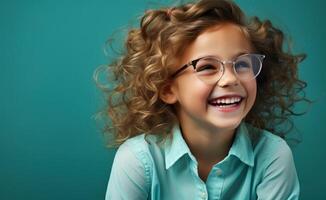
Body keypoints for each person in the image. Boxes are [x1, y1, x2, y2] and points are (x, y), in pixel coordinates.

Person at [99, 0, 309, 199]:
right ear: (167, 88)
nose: (230, 79)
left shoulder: (273, 156)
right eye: (207, 67)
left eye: (243, 64)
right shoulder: (138, 160)